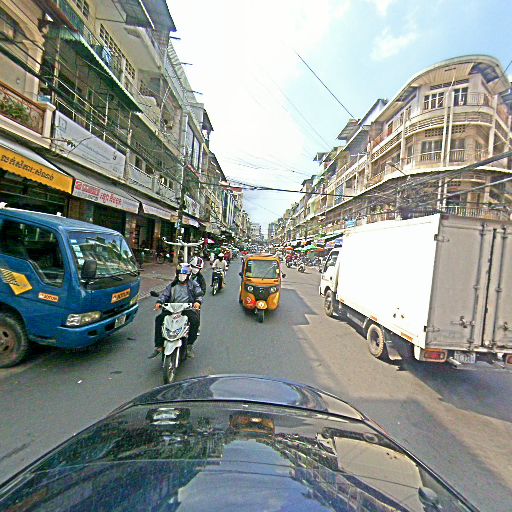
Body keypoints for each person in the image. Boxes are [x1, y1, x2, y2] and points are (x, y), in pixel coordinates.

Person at [149, 263, 203, 359]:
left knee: (195, 321)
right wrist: (159, 302)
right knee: (159, 319)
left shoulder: (193, 285)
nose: (182, 276)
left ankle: (189, 345)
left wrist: (197, 302)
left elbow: (199, 294)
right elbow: (164, 295)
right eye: (180, 274)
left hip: (186, 308)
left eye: (184, 274)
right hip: (172, 308)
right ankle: (159, 346)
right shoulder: (172, 285)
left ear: (188, 275)